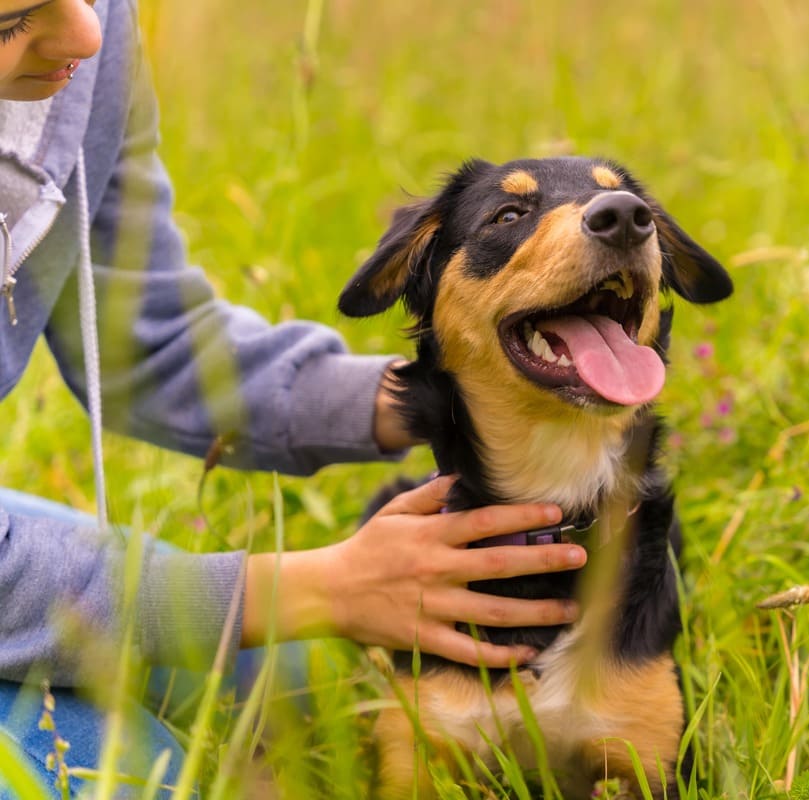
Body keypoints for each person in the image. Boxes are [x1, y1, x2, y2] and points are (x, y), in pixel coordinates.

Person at [0, 0, 588, 796]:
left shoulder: (87, 39)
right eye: (10, 22)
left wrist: (438, 398)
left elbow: (152, 338)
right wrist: (318, 586)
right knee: (126, 776)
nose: (88, 35)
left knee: (288, 683)